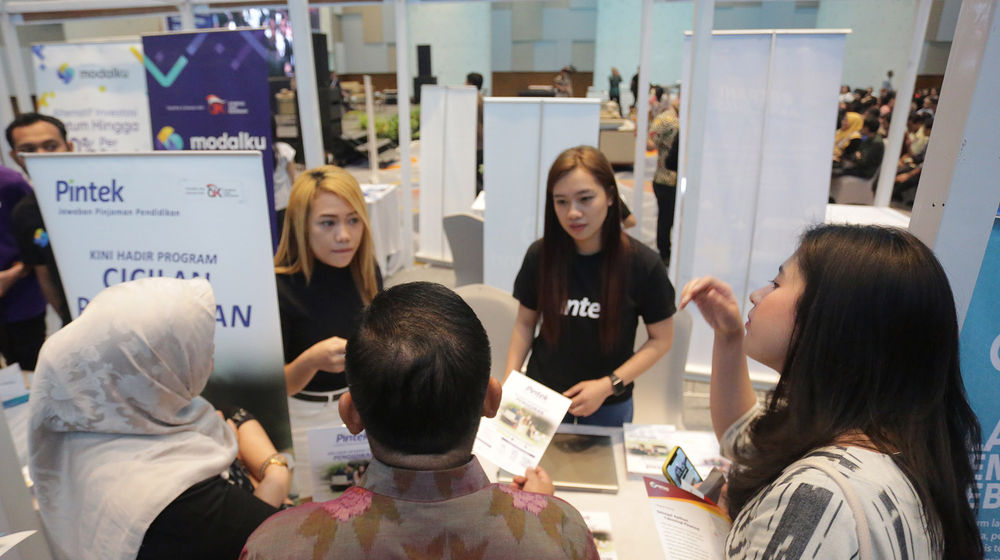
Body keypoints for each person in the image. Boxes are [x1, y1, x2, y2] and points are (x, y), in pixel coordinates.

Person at [680, 224, 982, 559]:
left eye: (777, 283)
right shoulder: (892, 451)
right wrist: (728, 334)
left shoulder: (816, 495)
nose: (757, 295)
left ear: (835, 319)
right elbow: (746, 439)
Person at [242, 282, 600, 559]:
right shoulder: (562, 533)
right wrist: (542, 514)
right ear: (492, 400)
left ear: (350, 413)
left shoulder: (276, 545)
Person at [29, 277, 291, 560]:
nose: (211, 349)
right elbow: (276, 536)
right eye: (198, 344)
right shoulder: (179, 497)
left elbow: (229, 413)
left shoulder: (100, 421)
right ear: (152, 365)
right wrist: (276, 477)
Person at [505, 146, 675, 427]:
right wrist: (511, 382)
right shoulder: (541, 255)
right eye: (561, 201)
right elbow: (525, 324)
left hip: (607, 404)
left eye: (585, 199)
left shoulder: (643, 264)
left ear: (610, 197)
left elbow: (661, 339)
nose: (573, 213)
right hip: (540, 399)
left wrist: (608, 385)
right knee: (529, 473)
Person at [273, 165, 381, 498]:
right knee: (317, 520)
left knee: (365, 514)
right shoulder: (280, 287)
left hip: (362, 413)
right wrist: (311, 360)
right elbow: (274, 390)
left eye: (353, 220)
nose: (344, 235)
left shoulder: (366, 272)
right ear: (301, 226)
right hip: (305, 419)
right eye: (328, 223)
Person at [6, 113, 72, 324]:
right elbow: (44, 274)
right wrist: (67, 319)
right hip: (77, 317)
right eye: (29, 150)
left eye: (51, 146)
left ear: (69, 147)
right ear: (16, 157)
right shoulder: (25, 212)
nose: (41, 155)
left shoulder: (112, 194)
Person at [0, 164, 47, 370]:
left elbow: (38, 237)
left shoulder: (10, 183)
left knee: (29, 367)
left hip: (19, 300)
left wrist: (16, 271)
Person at [647, 92, 680, 264]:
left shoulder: (674, 119)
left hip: (672, 179)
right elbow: (649, 141)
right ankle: (664, 253)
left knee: (672, 218)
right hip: (666, 179)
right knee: (666, 220)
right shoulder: (667, 119)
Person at [466, 71, 485, 193]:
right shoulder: (479, 97)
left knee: (475, 173)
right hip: (480, 141)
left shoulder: (473, 99)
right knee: (477, 173)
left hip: (477, 142)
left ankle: (480, 194)